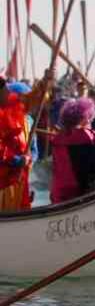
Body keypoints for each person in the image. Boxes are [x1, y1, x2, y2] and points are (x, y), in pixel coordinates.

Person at [49, 97, 95, 203]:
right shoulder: (90, 136)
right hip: (82, 191)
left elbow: (55, 167)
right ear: (83, 118)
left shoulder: (57, 139)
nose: (90, 120)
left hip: (60, 189)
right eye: (88, 117)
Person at [0, 81, 34, 211]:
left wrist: (45, 82)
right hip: (4, 182)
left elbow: (31, 147)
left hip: (20, 179)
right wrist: (16, 160)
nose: (7, 92)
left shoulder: (23, 117)